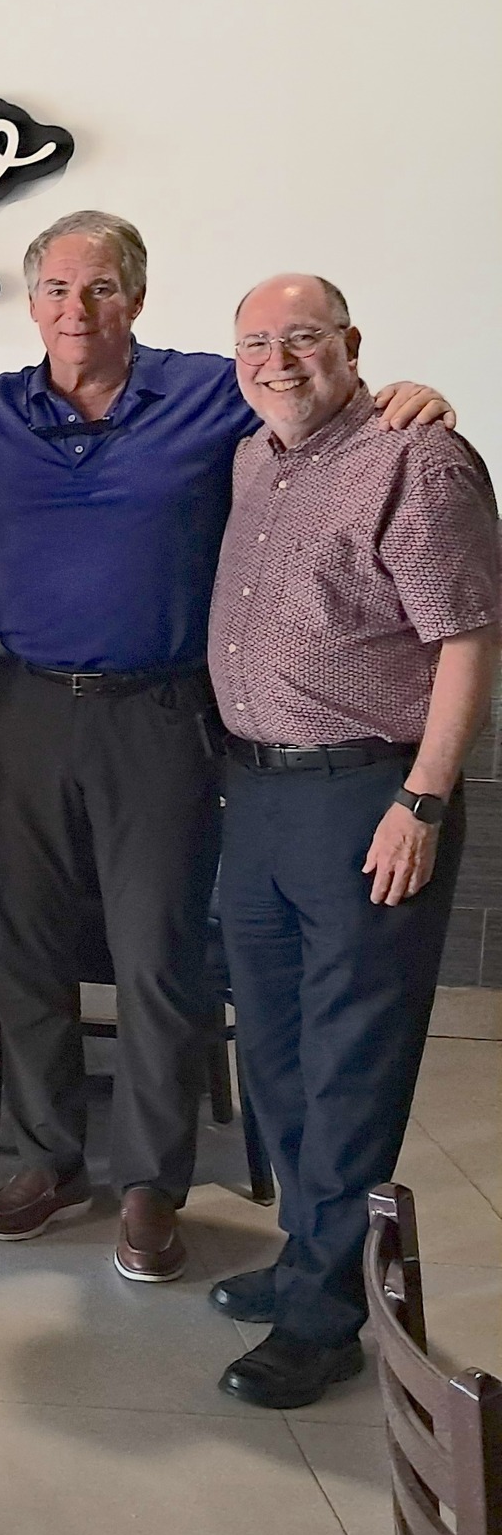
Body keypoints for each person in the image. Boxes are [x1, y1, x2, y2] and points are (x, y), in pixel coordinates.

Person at [0, 213, 451, 1284]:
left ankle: (148, 1184)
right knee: (22, 944)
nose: (79, 310)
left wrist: (413, 392)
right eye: (58, 290)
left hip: (161, 713)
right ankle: (46, 1159)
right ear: (29, 303)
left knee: (155, 953)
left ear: (136, 298)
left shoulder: (214, 392)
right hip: (19, 703)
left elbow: (313, 386)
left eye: (103, 288)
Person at [205, 275, 496, 1409]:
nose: (277, 359)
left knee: (350, 1056)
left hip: (369, 795)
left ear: (350, 344)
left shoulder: (416, 456)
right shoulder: (250, 455)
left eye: (301, 338)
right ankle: (298, 1255)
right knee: (271, 1045)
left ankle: (325, 1315)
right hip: (259, 794)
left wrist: (421, 797)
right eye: (254, 342)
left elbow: (469, 638)